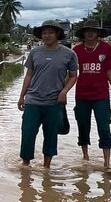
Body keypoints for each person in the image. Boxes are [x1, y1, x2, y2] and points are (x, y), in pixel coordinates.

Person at [17, 19, 79, 168]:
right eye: (44, 33)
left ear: (57, 34)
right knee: (28, 133)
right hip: (33, 100)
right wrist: (21, 96)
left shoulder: (69, 54)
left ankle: (46, 168)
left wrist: (64, 91)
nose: (47, 35)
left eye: (51, 32)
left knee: (51, 136)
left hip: (54, 102)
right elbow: (29, 75)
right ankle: (25, 166)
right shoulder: (35, 52)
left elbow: (73, 75)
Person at [72, 20, 111, 169]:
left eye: (93, 31)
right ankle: (85, 157)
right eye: (87, 31)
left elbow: (109, 71)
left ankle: (107, 163)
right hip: (81, 95)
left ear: (98, 33)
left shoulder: (106, 48)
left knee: (104, 127)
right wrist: (61, 92)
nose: (90, 33)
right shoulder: (76, 50)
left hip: (101, 96)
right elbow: (72, 74)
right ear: (83, 34)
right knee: (83, 126)